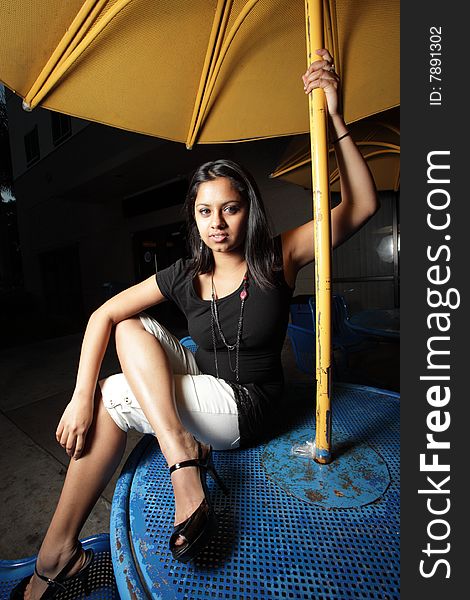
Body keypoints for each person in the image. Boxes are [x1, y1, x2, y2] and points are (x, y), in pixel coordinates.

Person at [11, 48, 378, 599]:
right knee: (127, 328)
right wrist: (77, 395)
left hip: (245, 406)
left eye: (229, 208)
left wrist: (334, 117)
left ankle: (66, 547)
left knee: (119, 393)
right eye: (205, 212)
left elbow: (362, 206)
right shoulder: (186, 272)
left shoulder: (277, 257)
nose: (217, 223)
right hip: (200, 383)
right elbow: (103, 314)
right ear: (194, 218)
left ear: (248, 210)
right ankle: (178, 453)